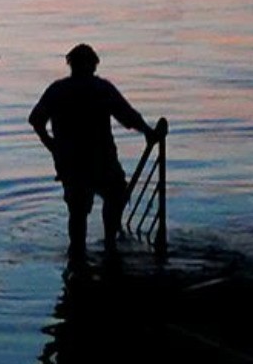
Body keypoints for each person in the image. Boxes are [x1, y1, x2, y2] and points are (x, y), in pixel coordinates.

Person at [29, 44, 159, 256]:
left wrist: (51, 144)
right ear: (93, 65)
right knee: (115, 195)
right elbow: (127, 116)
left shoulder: (57, 90)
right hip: (100, 159)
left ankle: (78, 256)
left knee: (78, 211)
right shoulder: (101, 88)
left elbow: (35, 120)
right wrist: (147, 131)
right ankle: (110, 242)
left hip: (70, 161)